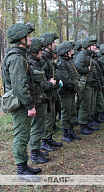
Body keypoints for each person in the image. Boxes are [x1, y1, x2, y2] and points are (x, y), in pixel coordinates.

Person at [1, 23, 41, 175]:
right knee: (22, 135)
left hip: (21, 102)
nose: (30, 38)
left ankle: (23, 165)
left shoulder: (19, 56)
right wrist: (30, 105)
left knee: (24, 134)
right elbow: (19, 86)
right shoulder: (17, 58)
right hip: (20, 104)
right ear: (21, 39)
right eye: (28, 36)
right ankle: (21, 168)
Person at [28, 37, 56, 164]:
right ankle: (34, 154)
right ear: (34, 53)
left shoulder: (35, 64)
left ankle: (37, 150)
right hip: (37, 101)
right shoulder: (32, 65)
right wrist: (50, 84)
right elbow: (40, 85)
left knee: (40, 127)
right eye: (40, 51)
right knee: (37, 128)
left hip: (40, 100)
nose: (42, 53)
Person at [39, 32, 63, 152]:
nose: (54, 44)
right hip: (46, 93)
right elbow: (40, 76)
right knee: (48, 118)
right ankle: (44, 141)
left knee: (52, 116)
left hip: (52, 92)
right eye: (53, 42)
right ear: (47, 44)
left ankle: (49, 138)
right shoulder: (42, 58)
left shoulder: (48, 58)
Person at [56, 41, 82, 142]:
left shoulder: (69, 61)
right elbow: (65, 80)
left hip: (71, 91)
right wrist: (74, 86)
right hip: (65, 92)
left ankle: (71, 130)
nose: (72, 52)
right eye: (70, 50)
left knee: (72, 111)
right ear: (65, 52)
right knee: (66, 113)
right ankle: (65, 133)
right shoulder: (61, 63)